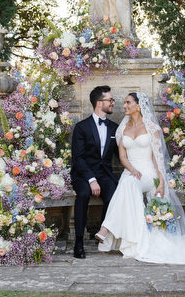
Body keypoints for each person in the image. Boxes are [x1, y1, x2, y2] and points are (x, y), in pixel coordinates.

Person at [94, 92, 185, 264]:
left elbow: (157, 157)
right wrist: (132, 169)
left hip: (148, 171)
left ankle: (106, 228)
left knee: (127, 183)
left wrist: (161, 182)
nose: (124, 106)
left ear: (138, 106)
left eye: (128, 102)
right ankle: (130, 238)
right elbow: (122, 157)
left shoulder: (151, 127)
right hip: (131, 171)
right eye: (124, 102)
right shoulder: (121, 129)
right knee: (128, 182)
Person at [70, 85, 119, 258]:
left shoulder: (115, 128)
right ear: (99, 103)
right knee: (83, 194)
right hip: (83, 174)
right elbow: (78, 158)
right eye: (110, 100)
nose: (113, 103)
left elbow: (121, 155)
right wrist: (91, 179)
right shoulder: (82, 127)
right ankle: (79, 242)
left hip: (104, 173)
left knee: (114, 193)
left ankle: (102, 234)